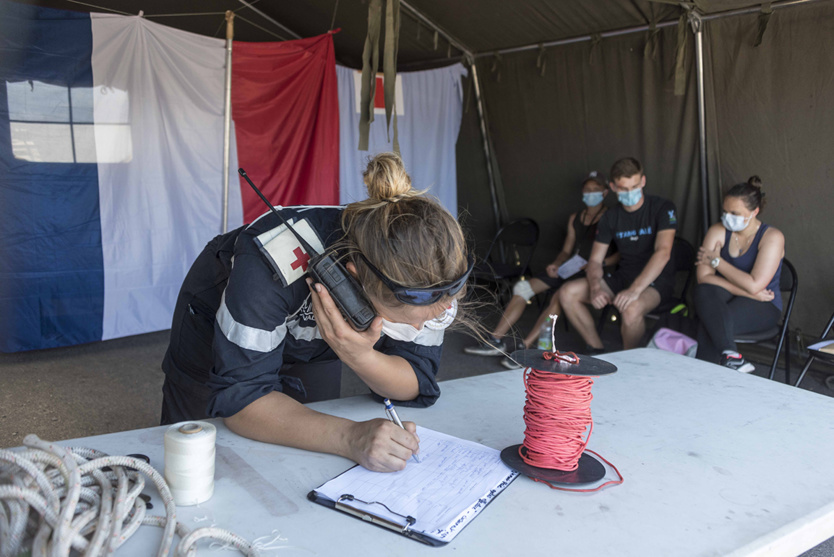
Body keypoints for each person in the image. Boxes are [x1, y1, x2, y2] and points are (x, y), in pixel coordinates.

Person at [160, 153, 473, 473]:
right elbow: (241, 400)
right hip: (219, 328)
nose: (426, 326)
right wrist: (351, 437)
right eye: (412, 322)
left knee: (307, 454)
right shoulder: (268, 261)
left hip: (314, 341)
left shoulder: (435, 280)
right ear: (354, 281)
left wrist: (360, 356)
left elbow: (417, 378)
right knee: (193, 453)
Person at [464, 171, 617, 362]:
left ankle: (527, 346)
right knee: (522, 288)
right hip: (570, 268)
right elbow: (566, 250)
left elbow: (619, 255)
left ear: (605, 193)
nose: (591, 193)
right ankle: (495, 340)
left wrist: (598, 264)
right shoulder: (575, 218)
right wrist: (557, 264)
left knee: (558, 297)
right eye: (588, 189)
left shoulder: (612, 217)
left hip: (593, 273)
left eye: (596, 189)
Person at [559, 157, 677, 351]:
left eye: (635, 186)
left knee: (630, 309)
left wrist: (635, 290)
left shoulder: (662, 208)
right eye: (623, 188)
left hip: (656, 280)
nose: (630, 193)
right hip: (623, 276)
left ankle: (630, 362)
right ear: (613, 187)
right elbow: (595, 260)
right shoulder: (610, 216)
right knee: (567, 292)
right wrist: (596, 287)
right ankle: (597, 350)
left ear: (643, 182)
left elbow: (663, 253)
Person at [693, 177, 784, 373]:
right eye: (725, 212)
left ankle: (704, 379)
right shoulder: (718, 230)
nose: (727, 217)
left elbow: (755, 284)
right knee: (703, 290)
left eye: (735, 213)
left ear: (754, 212)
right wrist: (748, 292)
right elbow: (703, 277)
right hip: (738, 296)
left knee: (711, 322)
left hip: (763, 303)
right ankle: (731, 358)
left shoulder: (772, 237)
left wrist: (717, 261)